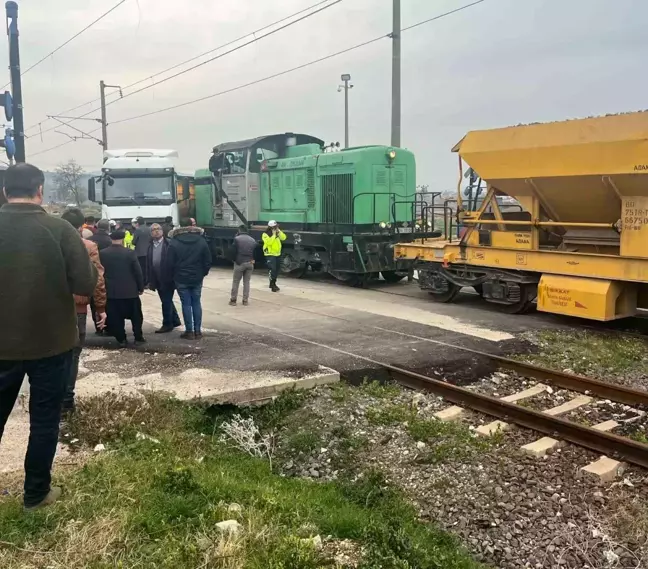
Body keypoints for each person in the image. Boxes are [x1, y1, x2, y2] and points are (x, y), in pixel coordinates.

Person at [0, 163, 98, 511]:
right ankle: (36, 495)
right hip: (51, 345)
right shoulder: (59, 230)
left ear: (4, 190)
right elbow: (86, 284)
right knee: (43, 422)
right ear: (40, 189)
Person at [60, 208, 107, 412]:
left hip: (56, 305)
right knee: (74, 353)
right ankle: (67, 400)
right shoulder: (88, 246)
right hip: (79, 307)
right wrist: (101, 307)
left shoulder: (52, 244)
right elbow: (97, 280)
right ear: (82, 226)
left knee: (54, 353)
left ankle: (53, 397)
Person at [100, 229, 145, 348]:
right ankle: (138, 337)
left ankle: (121, 339)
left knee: (115, 317)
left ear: (111, 239)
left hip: (112, 292)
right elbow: (138, 272)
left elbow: (100, 273)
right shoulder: (130, 253)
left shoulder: (103, 253)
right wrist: (140, 287)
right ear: (122, 239)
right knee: (136, 316)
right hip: (130, 291)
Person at [168, 221, 212, 340]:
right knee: (196, 302)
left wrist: (174, 275)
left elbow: (169, 263)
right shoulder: (201, 241)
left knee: (186, 304)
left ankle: (189, 331)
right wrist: (203, 273)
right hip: (197, 277)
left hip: (181, 278)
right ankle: (198, 331)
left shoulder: (174, 242)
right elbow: (208, 260)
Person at [147, 223, 182, 333]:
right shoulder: (150, 245)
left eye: (158, 229)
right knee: (166, 300)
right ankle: (175, 320)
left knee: (166, 300)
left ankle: (167, 324)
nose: (156, 231)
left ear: (162, 231)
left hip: (167, 277)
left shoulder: (169, 244)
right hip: (156, 277)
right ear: (151, 232)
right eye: (153, 229)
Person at [229, 225, 257, 306]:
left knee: (236, 282)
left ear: (239, 231)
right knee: (246, 282)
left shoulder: (237, 239)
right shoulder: (252, 240)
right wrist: (252, 261)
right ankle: (245, 300)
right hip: (250, 263)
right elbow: (255, 253)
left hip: (239, 263)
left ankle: (233, 300)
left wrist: (235, 260)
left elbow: (232, 251)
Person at [262, 220, 286, 292]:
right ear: (270, 227)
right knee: (272, 269)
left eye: (276, 227)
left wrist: (279, 232)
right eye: (274, 227)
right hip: (270, 254)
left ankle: (273, 282)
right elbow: (269, 242)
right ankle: (272, 284)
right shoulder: (265, 234)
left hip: (277, 253)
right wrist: (274, 235)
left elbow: (284, 238)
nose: (275, 228)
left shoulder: (277, 232)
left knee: (277, 269)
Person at [132, 216, 151, 283]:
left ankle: (143, 282)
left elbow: (133, 242)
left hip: (140, 253)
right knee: (148, 268)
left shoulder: (138, 230)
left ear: (138, 223)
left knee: (141, 268)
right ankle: (149, 281)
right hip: (149, 251)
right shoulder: (149, 229)